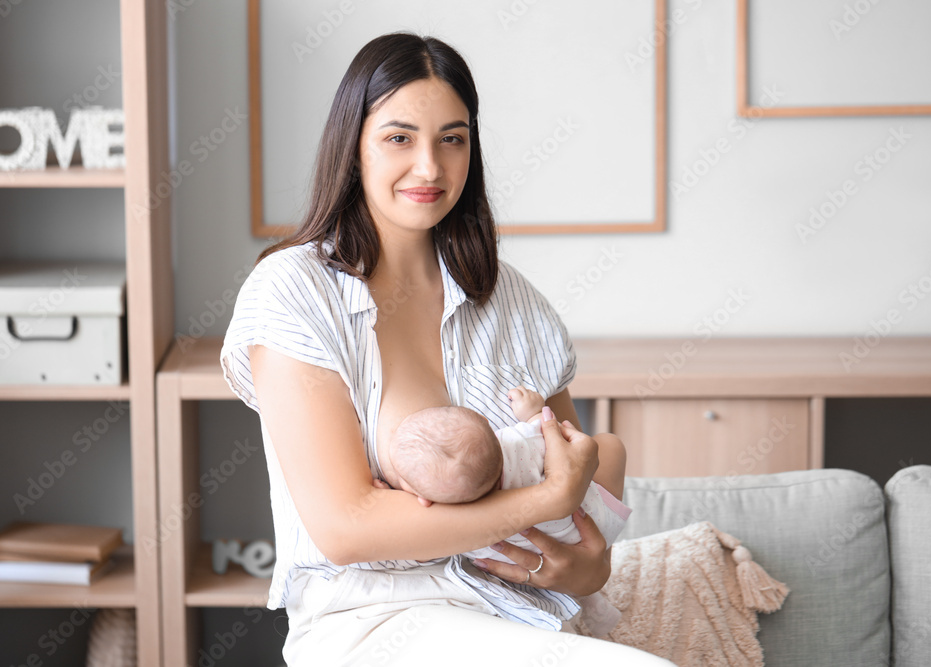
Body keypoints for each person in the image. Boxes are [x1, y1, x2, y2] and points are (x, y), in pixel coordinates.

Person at [221, 32, 673, 666]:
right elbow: (346, 529)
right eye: (399, 138)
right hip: (373, 623)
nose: (430, 167)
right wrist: (545, 500)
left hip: (522, 615)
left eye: (451, 139)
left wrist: (584, 569)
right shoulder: (292, 291)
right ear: (353, 147)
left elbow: (582, 501)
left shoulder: (513, 302)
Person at [377, 385, 632, 637]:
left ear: (422, 499)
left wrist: (389, 495)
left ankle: (590, 607)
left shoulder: (458, 532)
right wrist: (533, 411)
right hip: (593, 525)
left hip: (533, 569)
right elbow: (545, 428)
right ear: (488, 427)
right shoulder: (515, 444)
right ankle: (592, 606)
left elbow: (411, 550)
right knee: (610, 445)